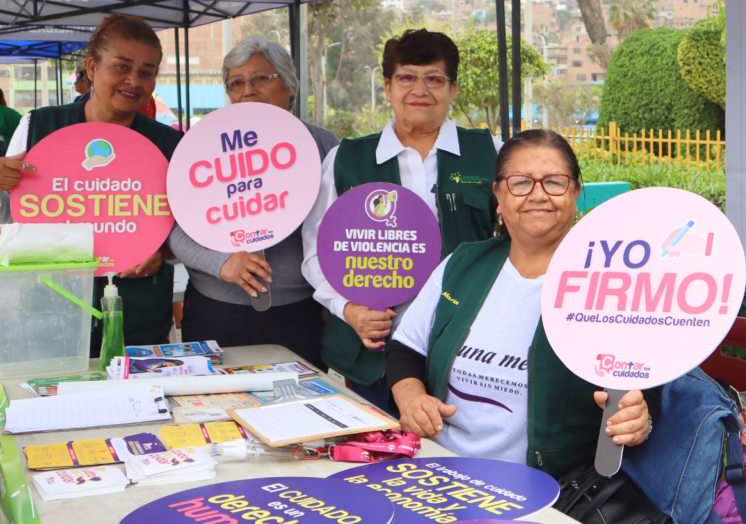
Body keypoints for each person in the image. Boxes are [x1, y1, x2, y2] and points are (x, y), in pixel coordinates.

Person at [387, 130, 653, 476]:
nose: (538, 195)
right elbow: (405, 349)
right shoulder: (462, 264)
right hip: (439, 469)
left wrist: (639, 420)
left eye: (554, 182)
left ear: (575, 193)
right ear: (498, 195)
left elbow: (645, 395)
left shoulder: (614, 283)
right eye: (521, 183)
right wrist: (412, 400)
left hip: (546, 487)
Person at [302, 28, 501, 407]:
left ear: (453, 90)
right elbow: (316, 253)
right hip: (371, 353)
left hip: (463, 344)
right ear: (388, 87)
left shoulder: (490, 153)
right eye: (407, 77)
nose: (420, 90)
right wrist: (349, 310)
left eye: (434, 79)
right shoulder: (346, 160)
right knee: (381, 443)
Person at [0, 14, 182, 349]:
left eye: (147, 72)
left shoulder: (170, 144)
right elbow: (8, 219)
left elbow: (186, 226)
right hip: (50, 315)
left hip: (139, 319)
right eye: (121, 66)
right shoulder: (40, 127)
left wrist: (165, 252)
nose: (133, 81)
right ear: (93, 68)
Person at [170, 36, 338, 364]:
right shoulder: (200, 146)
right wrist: (220, 263)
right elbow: (175, 229)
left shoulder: (322, 145)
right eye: (236, 83)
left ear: (289, 85)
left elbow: (341, 227)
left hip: (300, 312)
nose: (247, 90)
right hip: (214, 309)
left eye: (261, 78)